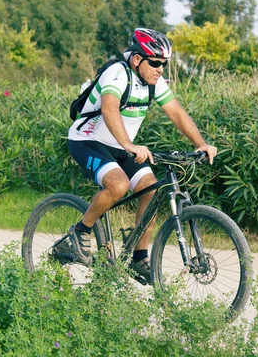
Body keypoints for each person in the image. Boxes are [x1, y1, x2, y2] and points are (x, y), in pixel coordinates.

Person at [67, 28, 217, 283]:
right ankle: (80, 231)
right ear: (137, 59)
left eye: (164, 65)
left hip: (119, 145)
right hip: (87, 140)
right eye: (156, 63)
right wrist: (129, 144)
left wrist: (201, 143)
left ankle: (138, 258)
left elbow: (177, 113)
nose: (160, 70)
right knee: (118, 185)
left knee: (150, 188)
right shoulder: (117, 73)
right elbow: (110, 108)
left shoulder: (153, 83)